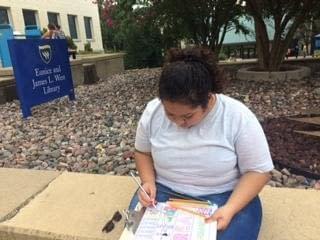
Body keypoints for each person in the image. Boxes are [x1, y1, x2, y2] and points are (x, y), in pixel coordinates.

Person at [129, 47, 274, 240]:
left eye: (188, 116)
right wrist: (147, 181)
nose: (179, 123)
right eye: (170, 114)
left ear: (208, 98)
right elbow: (143, 152)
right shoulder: (152, 111)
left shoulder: (236, 116)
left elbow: (259, 171)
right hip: (163, 194)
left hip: (225, 195)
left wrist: (230, 209)